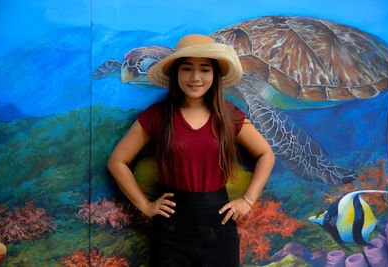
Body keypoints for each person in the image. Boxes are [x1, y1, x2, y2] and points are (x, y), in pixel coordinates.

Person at [107, 34, 275, 267]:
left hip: (220, 232)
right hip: (170, 234)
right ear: (175, 72)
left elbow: (266, 154)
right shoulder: (157, 115)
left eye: (204, 69)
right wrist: (146, 206)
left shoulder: (229, 115)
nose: (195, 77)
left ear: (215, 74)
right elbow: (117, 162)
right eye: (187, 68)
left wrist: (247, 200)